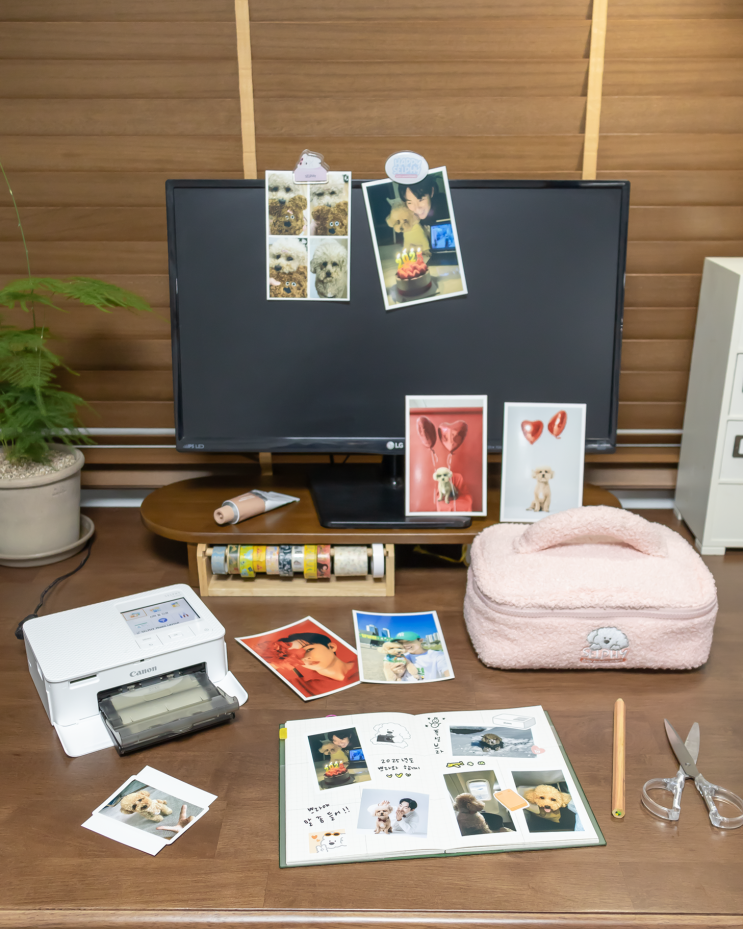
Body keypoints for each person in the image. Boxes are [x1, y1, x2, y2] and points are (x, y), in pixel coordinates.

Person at [397, 174, 450, 244]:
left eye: (421, 200)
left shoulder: (448, 207)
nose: (417, 208)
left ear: (432, 192)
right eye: (410, 203)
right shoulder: (407, 218)